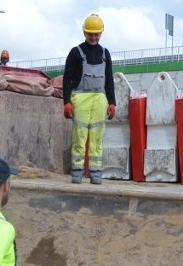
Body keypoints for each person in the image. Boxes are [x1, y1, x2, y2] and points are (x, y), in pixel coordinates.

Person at [62, 13, 117, 185]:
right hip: (80, 98)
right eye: (90, 33)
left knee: (96, 139)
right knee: (79, 137)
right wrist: (67, 102)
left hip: (100, 99)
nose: (93, 37)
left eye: (96, 34)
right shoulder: (75, 53)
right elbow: (67, 78)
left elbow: (109, 79)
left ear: (101, 33)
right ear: (84, 33)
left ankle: (96, 175)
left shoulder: (105, 53)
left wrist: (112, 102)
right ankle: (77, 175)